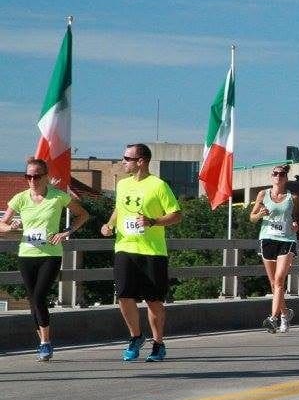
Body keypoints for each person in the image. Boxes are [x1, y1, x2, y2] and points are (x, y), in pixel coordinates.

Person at [0, 157, 89, 361]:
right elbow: (1, 225)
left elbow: (83, 215)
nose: (32, 180)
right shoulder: (20, 198)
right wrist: (10, 227)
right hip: (27, 254)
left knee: (39, 296)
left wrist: (66, 232)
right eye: (28, 176)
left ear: (46, 177)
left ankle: (46, 342)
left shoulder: (58, 197)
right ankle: (42, 342)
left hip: (50, 254)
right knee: (33, 300)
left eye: (36, 176)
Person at [101, 143, 182, 362]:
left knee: (153, 300)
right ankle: (136, 337)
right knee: (124, 295)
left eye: (127, 158)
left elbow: (176, 215)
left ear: (141, 161)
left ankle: (158, 343)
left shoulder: (158, 185)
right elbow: (119, 209)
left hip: (152, 252)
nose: (123, 162)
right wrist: (109, 225)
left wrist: (153, 221)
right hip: (125, 247)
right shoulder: (123, 184)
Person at [249, 164, 299, 333]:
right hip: (267, 239)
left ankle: (273, 318)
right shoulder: (263, 194)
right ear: (271, 176)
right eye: (275, 174)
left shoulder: (293, 197)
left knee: (279, 280)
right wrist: (260, 214)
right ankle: (286, 313)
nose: (278, 176)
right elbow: (252, 217)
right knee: (274, 283)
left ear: (286, 178)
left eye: (281, 174)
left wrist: (297, 224)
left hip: (287, 240)